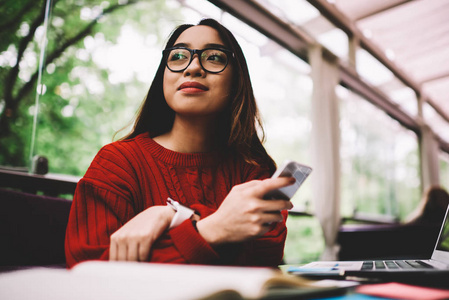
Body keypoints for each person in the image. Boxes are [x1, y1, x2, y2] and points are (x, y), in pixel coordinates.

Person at [65, 18, 295, 268]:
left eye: (214, 57)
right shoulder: (117, 163)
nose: (193, 67)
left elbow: (265, 253)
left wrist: (171, 216)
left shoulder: (251, 168)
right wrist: (208, 229)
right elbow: (88, 267)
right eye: (178, 56)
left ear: (237, 79)